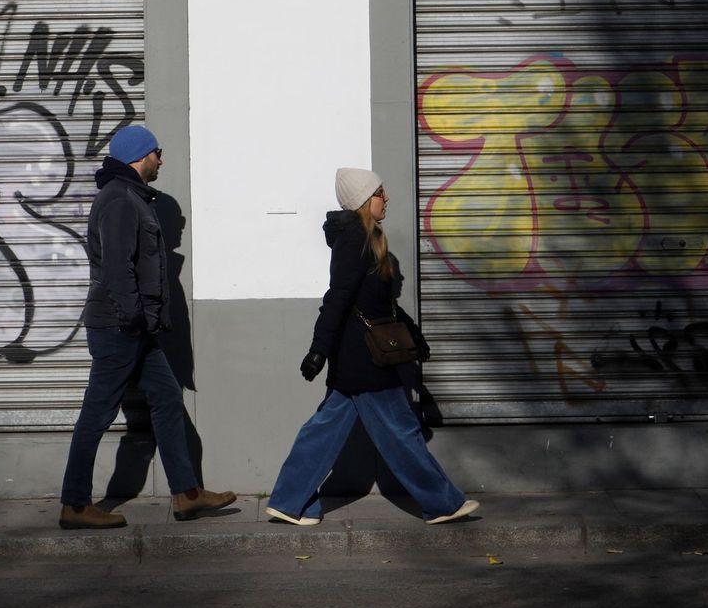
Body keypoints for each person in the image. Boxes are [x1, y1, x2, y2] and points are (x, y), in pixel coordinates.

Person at [265, 167, 479, 527]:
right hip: (364, 359)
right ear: (366, 200)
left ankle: (289, 501)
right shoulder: (354, 240)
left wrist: (413, 333)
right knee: (401, 432)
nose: (387, 198)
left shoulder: (368, 237)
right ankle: (441, 503)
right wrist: (318, 350)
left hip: (357, 358)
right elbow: (338, 298)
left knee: (323, 430)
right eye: (380, 192)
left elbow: (380, 305)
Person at [58, 125, 236, 529]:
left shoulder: (131, 198)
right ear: (141, 155)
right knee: (96, 414)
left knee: (168, 400)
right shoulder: (121, 200)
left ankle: (187, 494)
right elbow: (120, 268)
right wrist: (135, 320)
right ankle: (74, 504)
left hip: (135, 328)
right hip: (120, 327)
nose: (162, 160)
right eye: (158, 152)